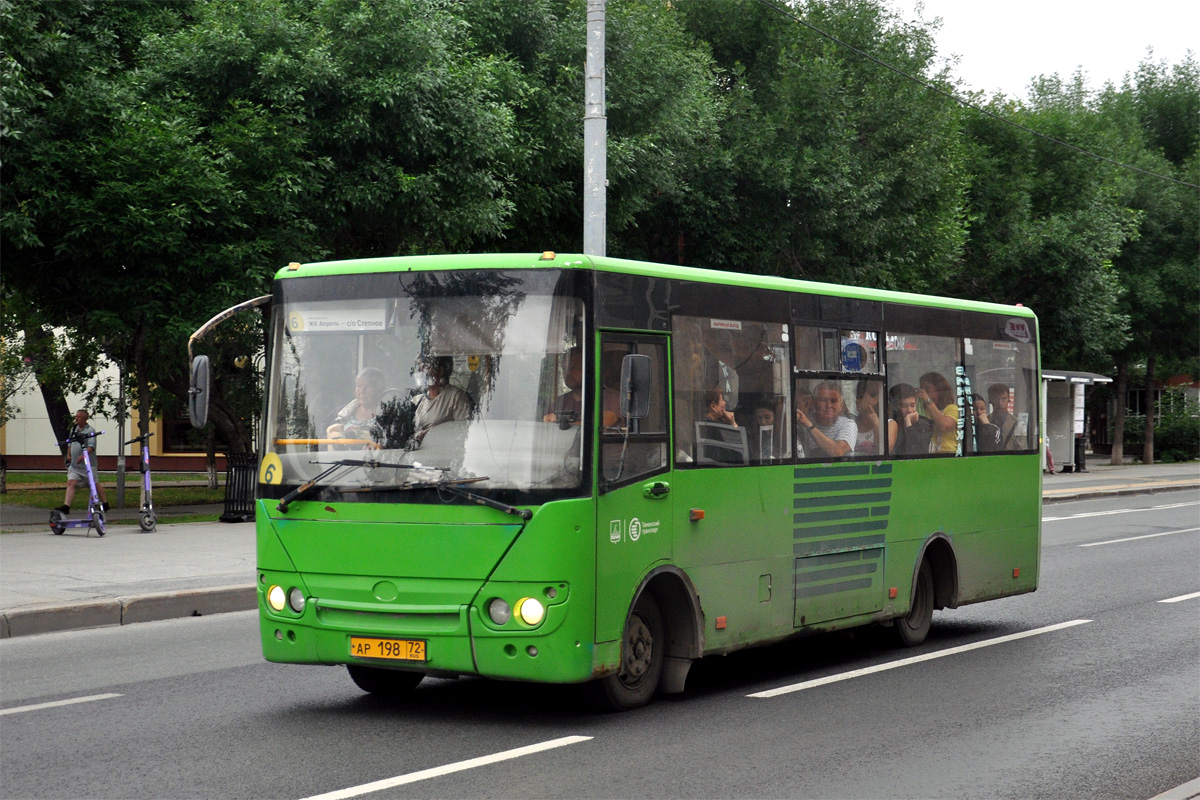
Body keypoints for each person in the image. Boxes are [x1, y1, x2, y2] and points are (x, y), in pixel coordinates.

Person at [58, 409, 108, 514]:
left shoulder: (90, 430)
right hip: (75, 466)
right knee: (71, 482)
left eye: (79, 417)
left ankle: (105, 503)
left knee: (94, 484)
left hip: (88, 465)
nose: (76, 418)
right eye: (76, 416)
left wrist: (83, 456)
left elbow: (91, 447)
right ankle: (66, 506)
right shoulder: (74, 429)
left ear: (85, 418)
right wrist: (68, 454)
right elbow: (70, 443)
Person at [413, 356, 472, 438]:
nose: (421, 373)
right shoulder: (418, 400)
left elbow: (462, 432)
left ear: (440, 371)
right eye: (420, 369)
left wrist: (430, 434)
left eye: (425, 368)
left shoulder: (456, 397)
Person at [326, 367, 387, 445]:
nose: (362, 391)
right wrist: (344, 435)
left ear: (380, 390)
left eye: (368, 386)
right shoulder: (339, 413)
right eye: (359, 385)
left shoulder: (390, 417)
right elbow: (320, 445)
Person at [796, 381, 855, 458]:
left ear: (841, 406)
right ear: (814, 403)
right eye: (823, 400)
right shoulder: (803, 418)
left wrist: (808, 425)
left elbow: (838, 452)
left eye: (834, 401)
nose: (829, 405)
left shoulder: (848, 424)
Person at [917, 371, 959, 454]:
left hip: (949, 453)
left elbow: (944, 426)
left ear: (939, 390)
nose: (924, 392)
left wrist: (928, 400)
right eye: (922, 389)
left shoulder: (952, 409)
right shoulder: (923, 410)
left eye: (927, 389)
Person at [889, 383, 934, 455]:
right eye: (904, 406)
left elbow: (915, 453)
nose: (909, 410)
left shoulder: (925, 425)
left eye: (912, 405)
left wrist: (908, 424)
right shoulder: (890, 424)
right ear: (895, 406)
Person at [544, 348, 584, 424]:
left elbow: (601, 425)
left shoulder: (607, 397)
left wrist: (562, 423)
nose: (568, 372)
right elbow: (545, 425)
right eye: (565, 368)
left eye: (573, 367)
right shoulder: (559, 402)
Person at [853, 381, 883, 456]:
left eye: (880, 395)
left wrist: (876, 424)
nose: (877, 399)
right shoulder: (850, 423)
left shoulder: (888, 423)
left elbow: (883, 451)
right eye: (873, 395)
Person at [987, 383, 1020, 450]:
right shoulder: (985, 421)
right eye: (996, 399)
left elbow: (1022, 450)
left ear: (1009, 400)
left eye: (1003, 399)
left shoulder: (1017, 423)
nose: (1000, 403)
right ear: (990, 400)